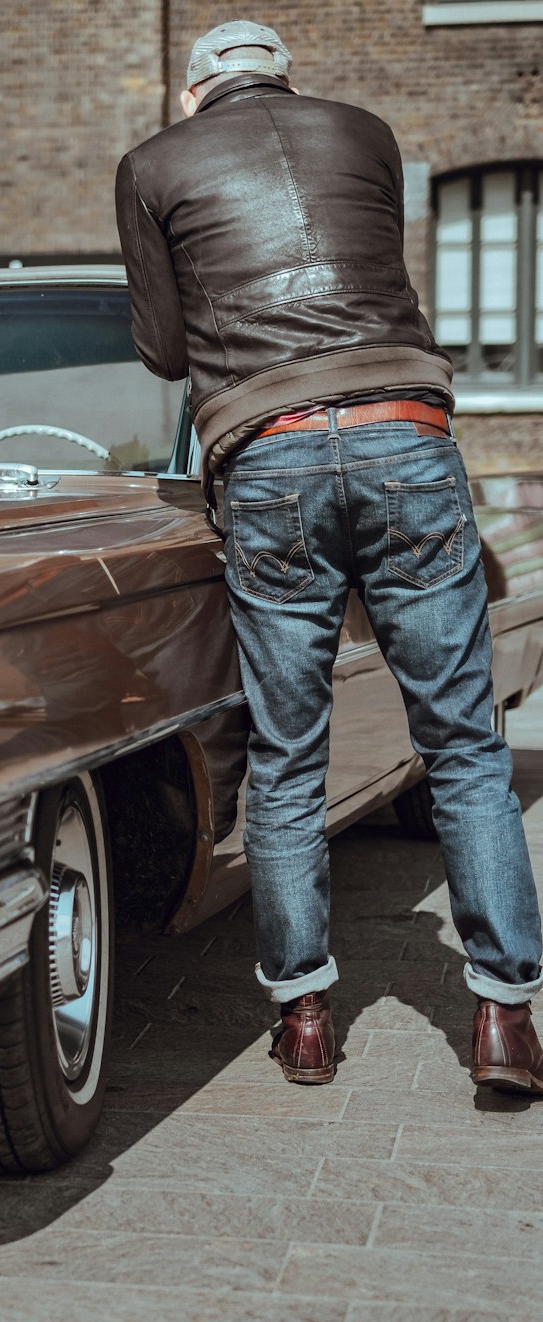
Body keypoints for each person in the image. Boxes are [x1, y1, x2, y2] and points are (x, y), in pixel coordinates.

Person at [116, 18, 543, 1093]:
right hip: (406, 432)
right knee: (463, 745)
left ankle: (302, 1013)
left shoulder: (155, 164)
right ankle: (504, 1021)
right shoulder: (365, 132)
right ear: (282, 77)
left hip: (272, 455)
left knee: (286, 752)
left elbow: (165, 350)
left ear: (193, 89)